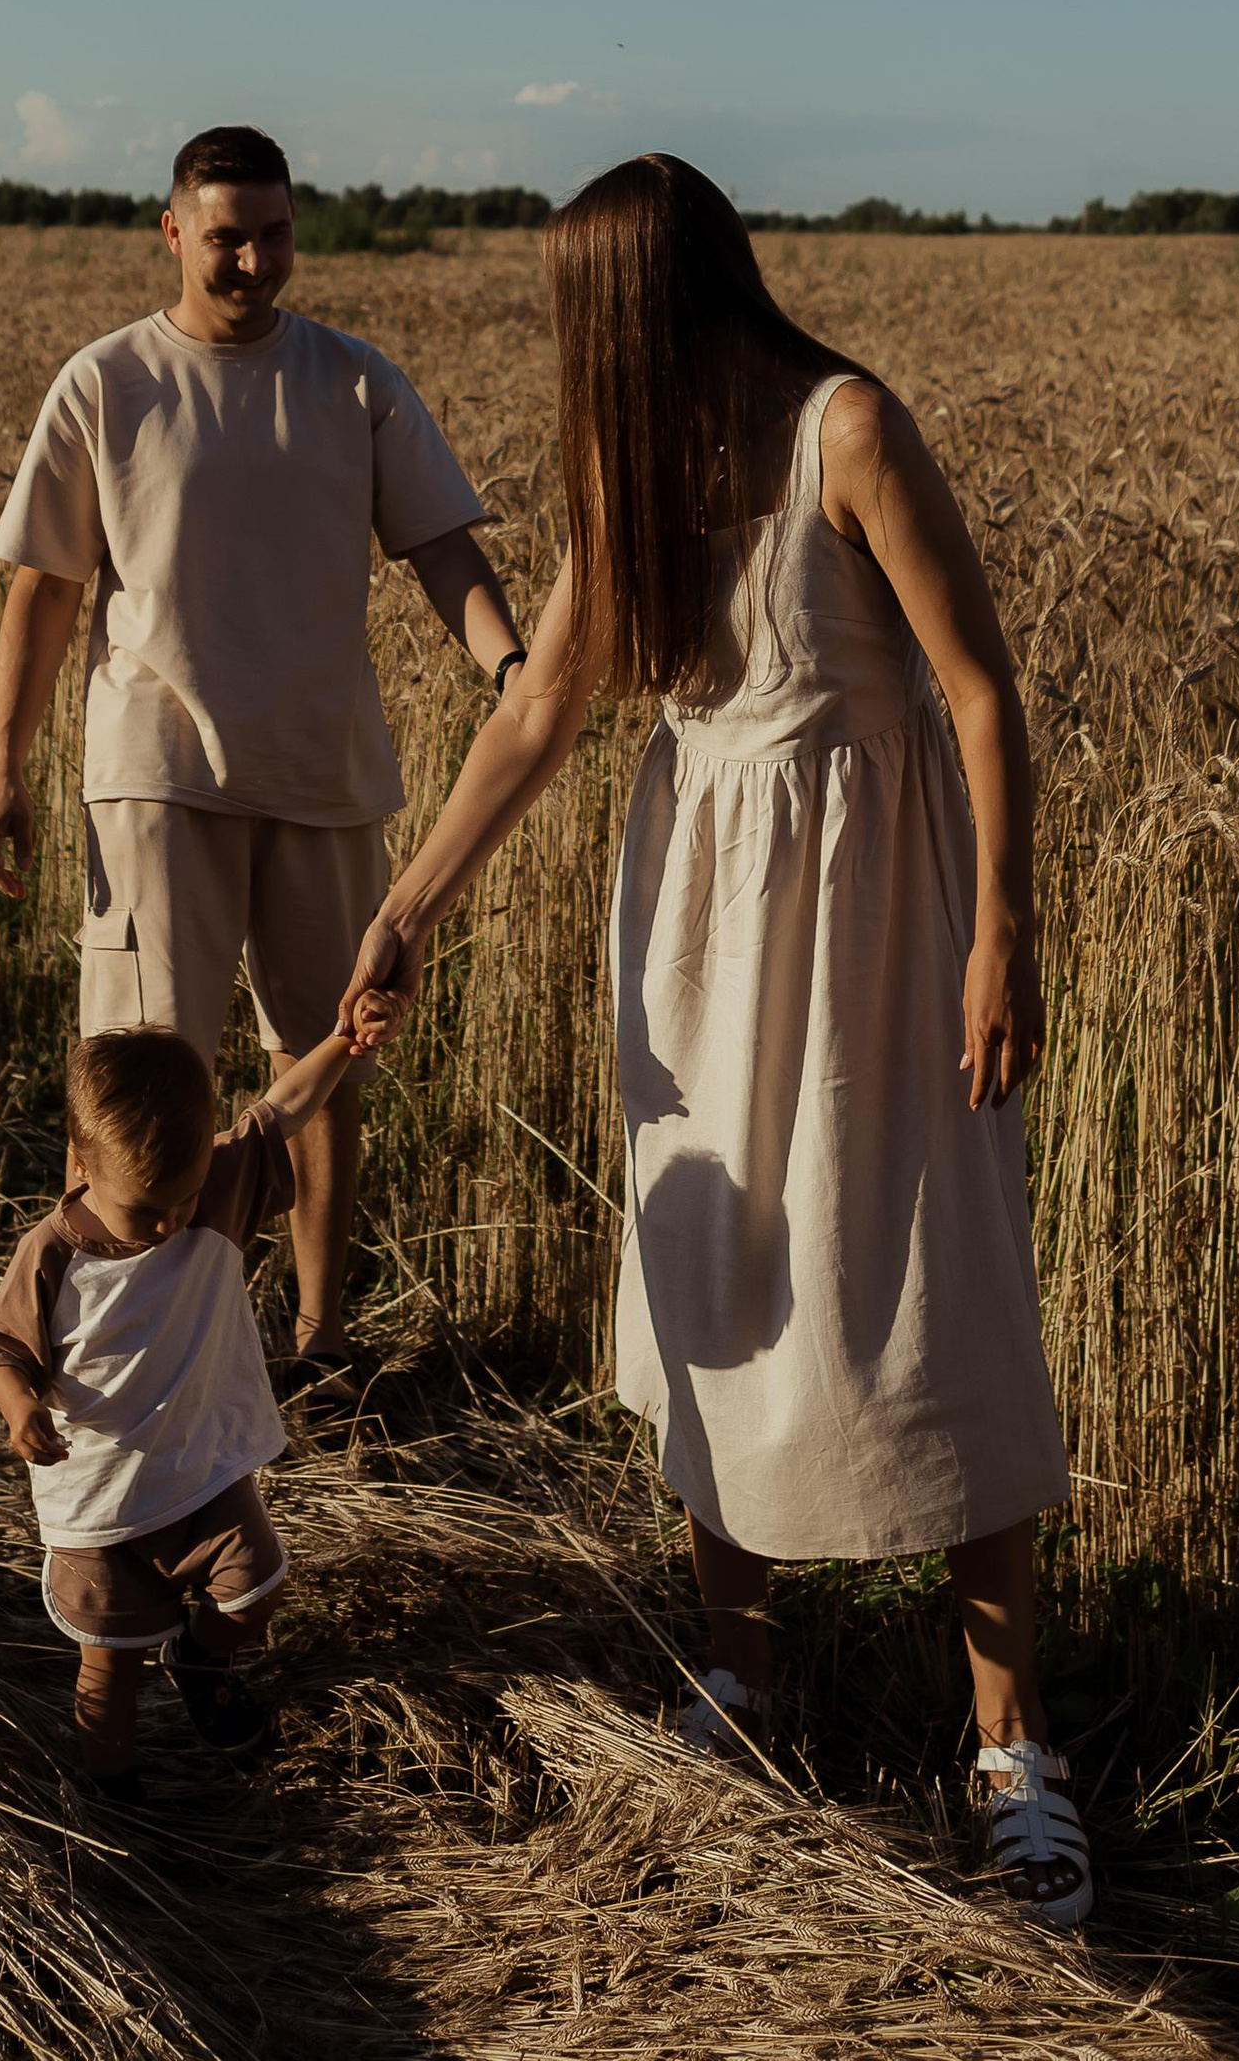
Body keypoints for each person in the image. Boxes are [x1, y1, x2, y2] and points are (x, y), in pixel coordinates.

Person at [335, 153, 1092, 1926]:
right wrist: (409, 910)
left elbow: (979, 690)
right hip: (702, 931)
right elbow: (538, 712)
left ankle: (1013, 1752)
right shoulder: (639, 477)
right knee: (711, 1279)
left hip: (883, 936)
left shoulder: (849, 432)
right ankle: (739, 1682)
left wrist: (1004, 932)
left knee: (933, 1291)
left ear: (649, 299)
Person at [0, 124, 524, 1396]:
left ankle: (319, 1349)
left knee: (330, 1061)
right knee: (135, 1083)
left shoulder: (354, 383)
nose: (254, 261)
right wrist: (5, 766)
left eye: (274, 234)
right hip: (153, 773)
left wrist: (510, 671)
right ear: (171, 231)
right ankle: (108, 1354)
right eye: (226, 236)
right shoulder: (107, 384)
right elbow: (46, 591)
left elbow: (442, 547)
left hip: (325, 773)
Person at [0, 1015, 391, 1800]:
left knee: (258, 1588)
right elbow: (0, 1344)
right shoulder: (53, 1254)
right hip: (101, 1509)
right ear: (83, 1165)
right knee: (110, 1672)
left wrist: (341, 1040)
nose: (170, 1223)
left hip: (202, 1470)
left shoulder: (214, 1190)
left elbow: (282, 1108)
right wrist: (19, 1406)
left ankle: (200, 1656)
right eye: (146, 1211)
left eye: (184, 1196)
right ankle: (116, 1795)